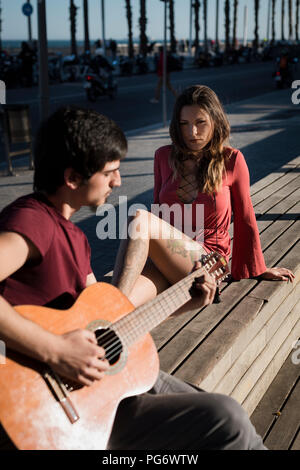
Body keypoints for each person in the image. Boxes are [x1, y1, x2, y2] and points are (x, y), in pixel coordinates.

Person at [0, 107, 266, 450]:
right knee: (226, 419)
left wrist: (186, 303)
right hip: (53, 406)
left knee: (233, 418)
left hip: (101, 385)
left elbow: (113, 329)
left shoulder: (74, 237)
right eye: (110, 172)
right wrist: (56, 350)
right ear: (72, 178)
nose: (119, 182)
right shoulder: (32, 221)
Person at [152, 85, 294, 283]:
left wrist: (256, 268)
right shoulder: (162, 156)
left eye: (200, 122)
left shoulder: (232, 160)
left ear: (215, 121)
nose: (192, 132)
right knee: (129, 296)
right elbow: (158, 214)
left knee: (139, 221)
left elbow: (245, 216)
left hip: (209, 258)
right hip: (169, 252)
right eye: (184, 123)